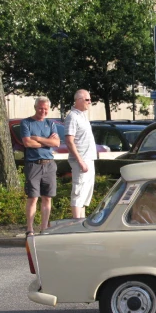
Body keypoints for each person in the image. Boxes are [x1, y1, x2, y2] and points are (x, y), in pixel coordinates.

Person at [20, 97, 60, 236]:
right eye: (40, 108)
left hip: (49, 165)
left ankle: (44, 228)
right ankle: (30, 228)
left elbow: (57, 143)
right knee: (33, 197)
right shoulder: (26, 123)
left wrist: (38, 138)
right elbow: (27, 143)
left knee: (47, 197)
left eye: (46, 109)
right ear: (35, 107)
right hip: (33, 165)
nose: (43, 111)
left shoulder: (50, 123)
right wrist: (47, 142)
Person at [64, 89, 97, 218]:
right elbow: (69, 140)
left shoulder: (82, 116)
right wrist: (80, 161)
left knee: (85, 194)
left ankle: (81, 222)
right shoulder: (72, 116)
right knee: (78, 192)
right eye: (87, 99)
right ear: (78, 100)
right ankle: (76, 223)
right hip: (81, 160)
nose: (90, 102)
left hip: (89, 159)